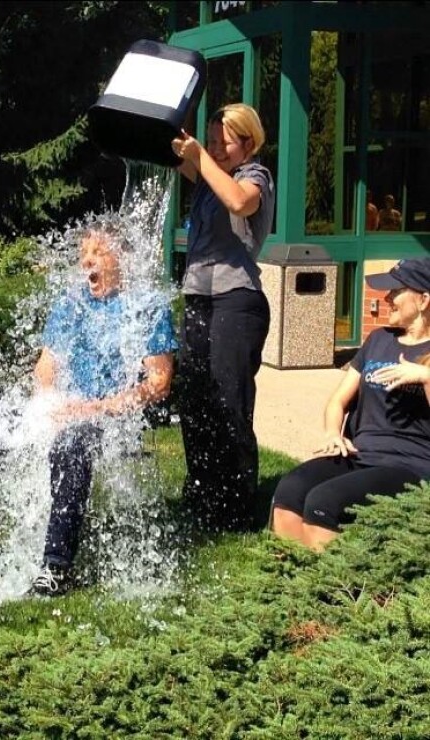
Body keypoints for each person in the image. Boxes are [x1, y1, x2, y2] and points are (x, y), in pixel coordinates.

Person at [0, 223, 178, 595]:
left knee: (71, 445)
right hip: (66, 405)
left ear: (123, 259)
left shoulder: (146, 307)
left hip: (111, 416)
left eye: (98, 252)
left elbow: (159, 382)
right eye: (84, 253)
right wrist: (49, 400)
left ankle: (56, 565)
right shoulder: (71, 303)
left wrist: (96, 408)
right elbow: (46, 364)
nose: (87, 260)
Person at [271, 258, 430, 552]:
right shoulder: (378, 339)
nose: (387, 298)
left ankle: (330, 590)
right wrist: (333, 432)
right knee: (289, 490)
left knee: (323, 502)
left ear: (423, 300)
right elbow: (338, 400)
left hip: (410, 464)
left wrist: (424, 376)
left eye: (396, 291)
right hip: (361, 454)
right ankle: (289, 582)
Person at [170, 103, 275, 532]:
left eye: (222, 142)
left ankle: (236, 505)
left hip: (237, 300)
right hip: (198, 298)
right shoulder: (208, 177)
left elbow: (236, 201)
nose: (213, 149)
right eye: (210, 141)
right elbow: (170, 151)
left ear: (247, 143)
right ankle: (202, 491)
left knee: (229, 401)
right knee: (194, 400)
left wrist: (199, 157)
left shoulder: (255, 177)